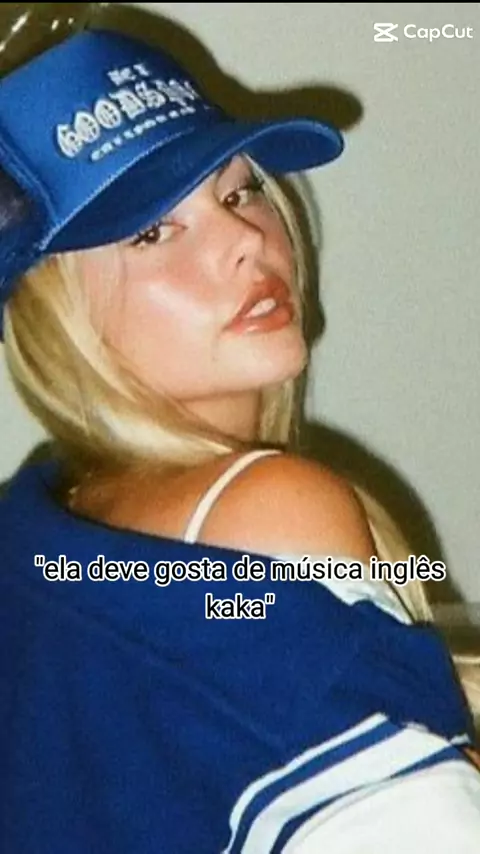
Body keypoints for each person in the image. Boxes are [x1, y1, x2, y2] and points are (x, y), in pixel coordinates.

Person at [0, 22, 480, 854]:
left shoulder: (48, 529)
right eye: (152, 232)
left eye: (237, 192)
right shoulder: (272, 508)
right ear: (57, 314)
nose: (244, 242)